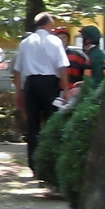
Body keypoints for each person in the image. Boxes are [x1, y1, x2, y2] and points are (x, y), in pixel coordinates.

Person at [12, 12, 69, 167]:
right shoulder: (55, 41)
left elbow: (17, 70)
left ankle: (33, 163)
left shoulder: (25, 43)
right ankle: (50, 161)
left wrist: (19, 92)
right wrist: (66, 90)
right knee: (52, 121)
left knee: (33, 124)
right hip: (50, 83)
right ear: (48, 24)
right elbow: (62, 67)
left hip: (31, 84)